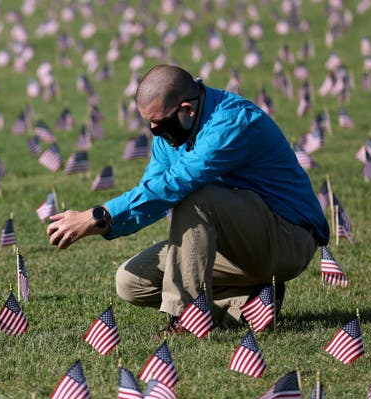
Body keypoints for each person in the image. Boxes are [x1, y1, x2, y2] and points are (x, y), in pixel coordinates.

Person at [46, 64, 329, 330]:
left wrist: (99, 215)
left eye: (159, 123)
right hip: (239, 246)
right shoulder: (171, 134)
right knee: (130, 281)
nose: (155, 132)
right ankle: (250, 303)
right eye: (149, 124)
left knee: (196, 196)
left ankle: (186, 318)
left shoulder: (231, 122)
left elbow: (178, 183)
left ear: (187, 110)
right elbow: (153, 191)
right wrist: (105, 223)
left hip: (287, 239)